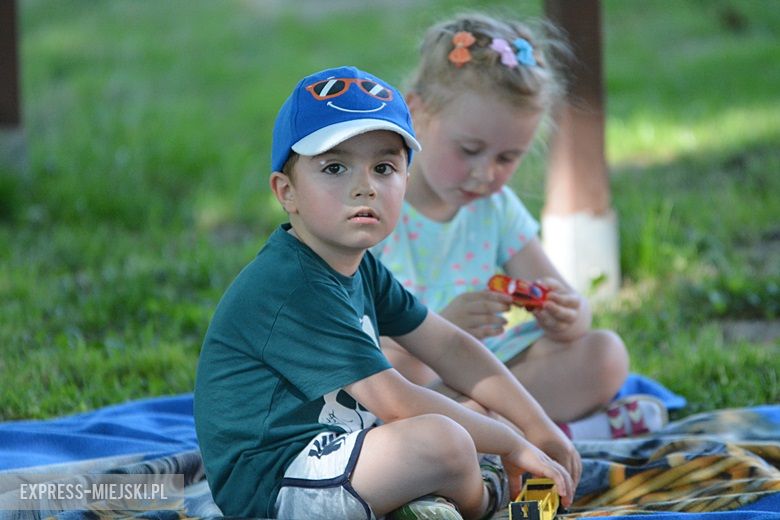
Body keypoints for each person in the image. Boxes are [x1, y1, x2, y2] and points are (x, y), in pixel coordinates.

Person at [194, 65, 578, 520]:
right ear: (287, 191)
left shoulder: (361, 267)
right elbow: (396, 402)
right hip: (275, 485)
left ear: (405, 181)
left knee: (469, 412)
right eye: (334, 167)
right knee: (448, 439)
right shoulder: (290, 285)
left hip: (342, 454)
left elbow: (450, 345)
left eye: (384, 167)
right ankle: (486, 503)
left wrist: (538, 427)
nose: (365, 186)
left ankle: (425, 500)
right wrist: (515, 443)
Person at [372, 13, 663, 440]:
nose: (484, 173)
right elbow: (347, 336)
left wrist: (569, 315)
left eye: (507, 158)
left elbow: (560, 296)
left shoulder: (496, 209)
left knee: (605, 353)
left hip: (489, 376)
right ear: (416, 112)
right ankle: (556, 432)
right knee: (389, 365)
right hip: (416, 381)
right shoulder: (377, 207)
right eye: (470, 149)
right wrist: (435, 329)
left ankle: (494, 431)